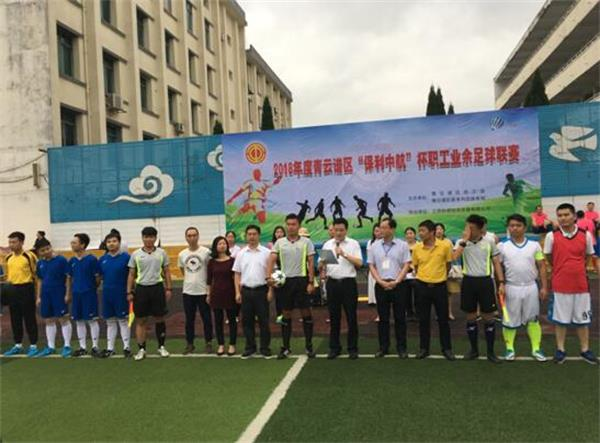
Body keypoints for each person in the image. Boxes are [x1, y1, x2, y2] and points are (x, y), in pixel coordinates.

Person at [544, 203, 599, 364]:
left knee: (582, 320)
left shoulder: (585, 235)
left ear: (574, 216)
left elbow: (588, 256)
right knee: (560, 320)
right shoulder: (551, 236)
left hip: (581, 286)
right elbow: (549, 257)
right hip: (560, 285)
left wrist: (577, 268)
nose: (563, 218)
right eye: (560, 215)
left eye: (566, 214)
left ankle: (585, 349)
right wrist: (561, 268)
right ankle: (560, 349)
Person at [452, 215, 505, 363]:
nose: (467, 230)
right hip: (468, 281)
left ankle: (490, 352)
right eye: (466, 227)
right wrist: (464, 241)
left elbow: (496, 263)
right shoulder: (461, 242)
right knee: (470, 317)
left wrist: (501, 282)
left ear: (480, 229)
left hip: (485, 282)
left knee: (489, 317)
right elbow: (453, 257)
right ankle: (473, 350)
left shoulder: (489, 242)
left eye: (471, 228)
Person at [498, 214, 548, 362]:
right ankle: (509, 349)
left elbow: (542, 266)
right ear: (508, 227)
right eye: (512, 225)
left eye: (518, 225)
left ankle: (536, 348)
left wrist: (544, 287)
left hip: (530, 286)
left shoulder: (534, 245)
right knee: (509, 320)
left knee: (533, 319)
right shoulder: (502, 246)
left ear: (525, 228)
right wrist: (501, 283)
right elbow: (498, 267)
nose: (515, 228)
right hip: (511, 287)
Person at [267, 213, 316, 359]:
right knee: (286, 314)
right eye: (288, 224)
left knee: (306, 313)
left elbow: (311, 262)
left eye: (293, 224)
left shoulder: (307, 242)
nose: (291, 227)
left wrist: (311, 282)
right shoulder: (279, 242)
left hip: (302, 281)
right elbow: (271, 259)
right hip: (285, 282)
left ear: (298, 226)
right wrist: (268, 277)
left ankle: (309, 346)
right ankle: (286, 347)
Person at [367, 218, 411, 358]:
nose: (381, 230)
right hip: (381, 285)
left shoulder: (402, 245)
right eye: (380, 227)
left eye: (384, 227)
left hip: (399, 285)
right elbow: (371, 265)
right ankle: (383, 347)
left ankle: (401, 348)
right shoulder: (374, 246)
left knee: (400, 318)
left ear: (392, 229)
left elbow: (406, 265)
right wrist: (380, 281)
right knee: (383, 318)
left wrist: (397, 281)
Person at [320, 218, 363, 359]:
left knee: (351, 317)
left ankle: (352, 348)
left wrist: (344, 254)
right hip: (332, 283)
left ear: (346, 230)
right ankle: (334, 347)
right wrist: (322, 263)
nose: (338, 233)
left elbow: (359, 263)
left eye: (341, 230)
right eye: (336, 230)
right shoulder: (328, 244)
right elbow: (321, 265)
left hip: (348, 283)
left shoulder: (353, 244)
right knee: (334, 317)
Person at [412, 220, 455, 361]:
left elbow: (448, 265)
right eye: (419, 230)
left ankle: (447, 349)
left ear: (432, 232)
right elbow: (416, 267)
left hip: (439, 287)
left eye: (423, 230)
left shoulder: (445, 246)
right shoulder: (417, 248)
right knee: (423, 319)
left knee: (443, 319)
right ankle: (424, 349)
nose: (420, 233)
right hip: (422, 286)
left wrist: (438, 277)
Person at [127, 227, 172, 361]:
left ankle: (161, 347)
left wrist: (169, 288)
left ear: (155, 238)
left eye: (151, 237)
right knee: (141, 320)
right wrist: (129, 291)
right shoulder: (135, 254)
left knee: (160, 318)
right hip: (141, 289)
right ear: (142, 238)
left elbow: (167, 271)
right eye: (146, 237)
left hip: (157, 288)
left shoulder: (162, 253)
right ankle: (141, 349)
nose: (148, 239)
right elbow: (131, 274)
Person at [233, 225, 273, 359]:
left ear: (259, 235)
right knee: (247, 322)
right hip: (246, 291)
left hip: (262, 291)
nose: (252, 236)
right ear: (246, 236)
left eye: (254, 234)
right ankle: (250, 347)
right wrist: (237, 292)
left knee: (264, 321)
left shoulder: (267, 253)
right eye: (249, 234)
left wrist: (270, 291)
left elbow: (272, 273)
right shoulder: (241, 253)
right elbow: (237, 274)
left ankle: (265, 348)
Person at [33, 239, 72, 358]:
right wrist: (38, 296)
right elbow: (40, 280)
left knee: (63, 318)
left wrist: (67, 293)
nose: (46, 251)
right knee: (48, 320)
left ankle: (67, 345)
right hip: (45, 294)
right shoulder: (40, 263)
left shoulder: (61, 260)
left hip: (59, 292)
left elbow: (68, 278)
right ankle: (51, 346)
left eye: (47, 248)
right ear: (39, 252)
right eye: (42, 250)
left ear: (51, 247)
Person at [2, 232, 39, 357]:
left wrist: (37, 294)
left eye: (14, 242)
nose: (11, 245)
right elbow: (7, 276)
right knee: (15, 318)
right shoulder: (8, 258)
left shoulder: (29, 256)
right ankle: (18, 344)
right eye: (10, 242)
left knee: (29, 318)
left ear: (22, 242)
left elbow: (36, 275)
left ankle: (33, 345)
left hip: (26, 288)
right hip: (12, 290)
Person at [178, 227, 213, 355]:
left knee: (206, 318)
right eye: (189, 236)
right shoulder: (182, 254)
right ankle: (190, 344)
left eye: (194, 235)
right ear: (186, 238)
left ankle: (208, 343)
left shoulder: (206, 252)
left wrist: (209, 289)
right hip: (188, 292)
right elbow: (183, 270)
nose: (192, 238)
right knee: (189, 319)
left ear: (198, 236)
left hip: (203, 291)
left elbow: (210, 270)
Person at [98, 232, 131, 358]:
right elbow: (99, 277)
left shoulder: (126, 258)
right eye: (109, 242)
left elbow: (131, 275)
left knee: (123, 320)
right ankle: (110, 348)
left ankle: (126, 347)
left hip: (121, 293)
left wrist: (130, 291)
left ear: (119, 242)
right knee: (110, 321)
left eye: (114, 241)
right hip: (107, 294)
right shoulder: (102, 259)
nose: (111, 244)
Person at [68, 233, 101, 358]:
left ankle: (95, 346)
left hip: (89, 293)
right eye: (72, 242)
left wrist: (90, 288)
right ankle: (82, 347)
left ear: (82, 245)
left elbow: (97, 278)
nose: (72, 245)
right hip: (76, 294)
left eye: (74, 242)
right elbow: (70, 278)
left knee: (92, 320)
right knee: (79, 320)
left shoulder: (92, 260)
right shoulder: (72, 261)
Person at [207, 236, 237, 356]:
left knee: (232, 320)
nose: (222, 245)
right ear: (215, 246)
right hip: (216, 294)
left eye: (224, 243)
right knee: (218, 321)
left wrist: (238, 292)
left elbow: (236, 278)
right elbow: (209, 280)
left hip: (230, 293)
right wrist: (208, 294)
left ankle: (232, 344)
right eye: (219, 244)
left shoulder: (232, 261)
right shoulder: (212, 262)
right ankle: (221, 344)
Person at [435, 223, 456, 320]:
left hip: (447, 269)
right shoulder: (431, 242)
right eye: (437, 229)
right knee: (437, 294)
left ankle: (449, 312)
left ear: (443, 231)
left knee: (448, 293)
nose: (439, 231)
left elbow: (453, 256)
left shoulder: (448, 242)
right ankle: (438, 313)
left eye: (441, 229)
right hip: (435, 271)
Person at [367, 223, 382, 322]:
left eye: (380, 230)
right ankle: (379, 314)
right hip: (373, 271)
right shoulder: (370, 242)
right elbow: (369, 258)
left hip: (383, 271)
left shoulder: (386, 242)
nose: (378, 233)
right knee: (376, 294)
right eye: (376, 231)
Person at [404, 227, 418, 321]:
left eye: (411, 233)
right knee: (406, 296)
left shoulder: (419, 245)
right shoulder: (403, 246)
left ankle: (418, 313)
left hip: (417, 275)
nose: (409, 235)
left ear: (415, 235)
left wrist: (415, 270)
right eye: (407, 233)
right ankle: (409, 313)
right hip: (405, 275)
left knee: (418, 296)